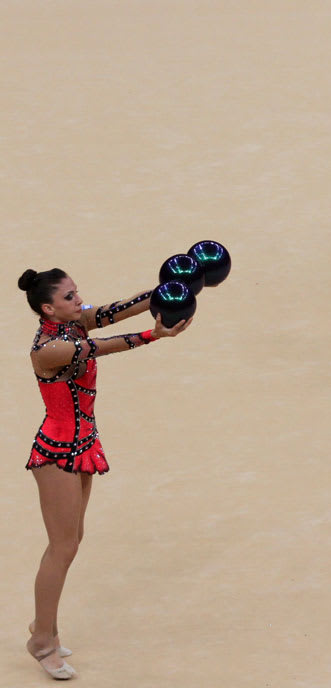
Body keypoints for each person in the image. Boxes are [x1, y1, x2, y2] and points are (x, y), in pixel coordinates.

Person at [19, 268, 190, 679]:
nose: (80, 300)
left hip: (83, 443)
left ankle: (46, 628)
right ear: (49, 308)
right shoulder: (48, 349)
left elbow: (114, 312)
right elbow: (105, 346)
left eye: (77, 294)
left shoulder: (71, 321)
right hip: (57, 451)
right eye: (70, 296)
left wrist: (161, 294)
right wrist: (155, 336)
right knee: (61, 547)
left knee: (72, 541)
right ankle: (42, 641)